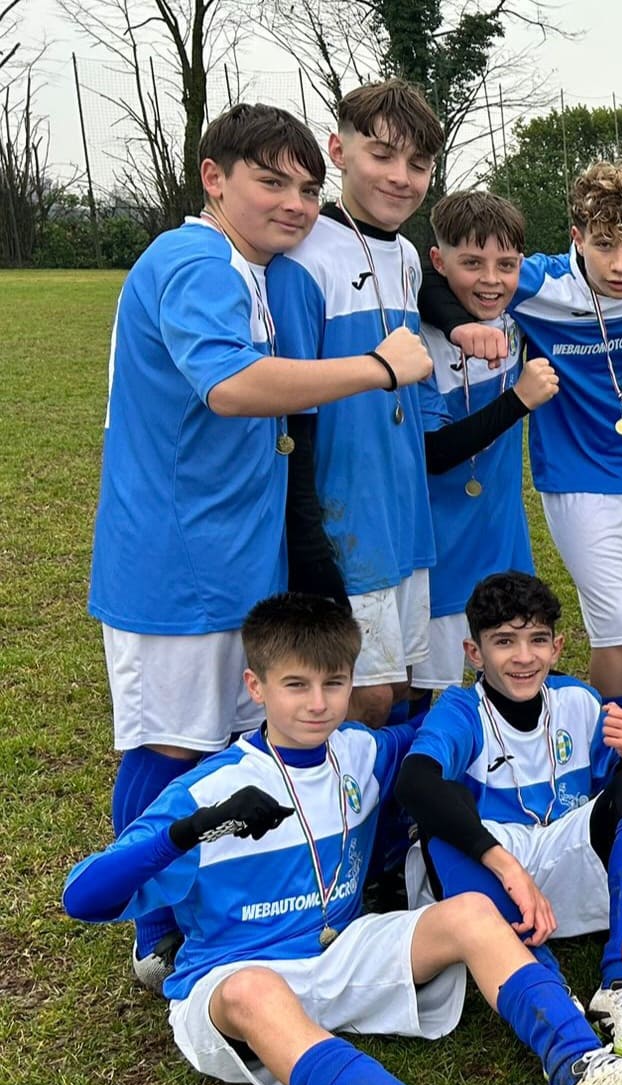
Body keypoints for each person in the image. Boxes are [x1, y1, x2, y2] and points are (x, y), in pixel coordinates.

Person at [63, 593, 622, 1085]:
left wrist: (620, 728)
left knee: (471, 912)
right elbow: (82, 898)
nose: (317, 703)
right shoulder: (208, 790)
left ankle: (581, 1066)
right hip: (235, 976)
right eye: (296, 685)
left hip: (340, 950)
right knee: (255, 991)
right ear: (256, 686)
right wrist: (189, 831)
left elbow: (448, 730)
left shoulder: (360, 750)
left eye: (333, 683)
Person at [91, 102, 434, 991]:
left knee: (238, 745)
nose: (294, 203)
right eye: (270, 181)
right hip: (172, 565)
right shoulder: (193, 260)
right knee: (170, 747)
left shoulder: (262, 269)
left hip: (244, 557)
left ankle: (231, 904)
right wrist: (380, 367)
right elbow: (232, 385)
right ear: (214, 178)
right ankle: (153, 928)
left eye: (307, 188)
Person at [394, 572, 622, 1070]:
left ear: (557, 647)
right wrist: (506, 866)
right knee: (441, 825)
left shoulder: (577, 699)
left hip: (562, 853)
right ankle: (547, 985)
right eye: (504, 642)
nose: (523, 657)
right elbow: (414, 783)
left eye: (536, 640)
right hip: (493, 873)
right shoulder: (461, 710)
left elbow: (619, 793)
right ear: (474, 652)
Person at [424, 162, 622, 703]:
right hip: (577, 477)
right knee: (615, 625)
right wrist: (460, 326)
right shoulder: (539, 283)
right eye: (604, 245)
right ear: (577, 236)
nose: (620, 265)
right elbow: (437, 276)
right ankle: (616, 742)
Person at [268, 80, 447, 729]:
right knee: (363, 696)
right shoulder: (301, 256)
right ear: (338, 151)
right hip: (345, 520)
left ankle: (401, 799)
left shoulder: (408, 256)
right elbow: (289, 410)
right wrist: (310, 538)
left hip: (402, 514)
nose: (401, 177)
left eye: (418, 164)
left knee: (404, 684)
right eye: (382, 155)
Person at [413, 192, 561, 696]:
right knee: (423, 694)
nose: (491, 279)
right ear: (439, 261)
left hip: (502, 540)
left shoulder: (519, 311)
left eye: (506, 264)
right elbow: (434, 453)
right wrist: (518, 401)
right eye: (472, 263)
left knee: (510, 679)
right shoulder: (416, 335)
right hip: (438, 548)